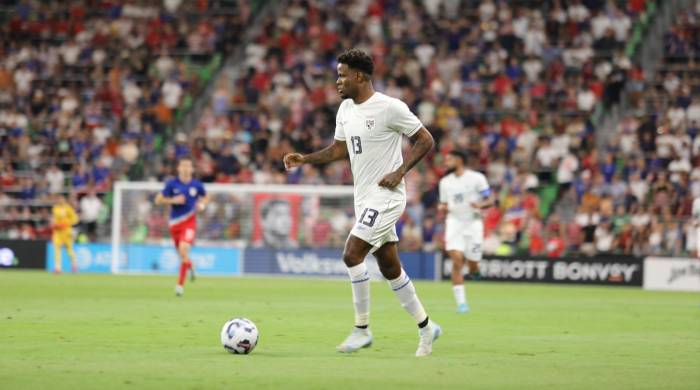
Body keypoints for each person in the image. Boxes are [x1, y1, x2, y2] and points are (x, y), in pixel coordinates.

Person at [283, 49, 441, 357]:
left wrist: (400, 171)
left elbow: (426, 139)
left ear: (360, 76)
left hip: (387, 196)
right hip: (364, 198)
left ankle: (362, 330)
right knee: (389, 266)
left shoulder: (390, 108)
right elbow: (338, 150)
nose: (338, 81)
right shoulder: (345, 110)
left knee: (352, 253)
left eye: (342, 75)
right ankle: (427, 327)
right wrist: (306, 158)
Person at [438, 150, 494, 313]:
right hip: (454, 221)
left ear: (459, 160)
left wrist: (481, 206)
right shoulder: (445, 182)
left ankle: (474, 269)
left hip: (473, 223)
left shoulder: (477, 178)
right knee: (456, 259)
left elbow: (490, 199)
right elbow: (442, 204)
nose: (446, 162)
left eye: (449, 159)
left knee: (472, 262)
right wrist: (442, 207)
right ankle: (462, 304)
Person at [155, 158, 209, 296]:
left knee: (183, 249)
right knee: (182, 255)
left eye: (188, 166)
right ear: (178, 168)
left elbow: (206, 196)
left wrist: (202, 205)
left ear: (192, 169)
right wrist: (173, 200)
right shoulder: (172, 184)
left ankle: (179, 286)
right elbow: (158, 200)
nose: (185, 168)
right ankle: (190, 266)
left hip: (189, 223)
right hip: (175, 224)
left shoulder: (197, 185)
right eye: (183, 165)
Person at [51, 194, 79, 273]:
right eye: (58, 199)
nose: (60, 200)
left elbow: (75, 219)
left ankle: (74, 265)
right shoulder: (55, 208)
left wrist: (67, 223)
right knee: (56, 249)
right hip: (57, 232)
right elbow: (54, 219)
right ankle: (57, 268)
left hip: (66, 232)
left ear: (64, 200)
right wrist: (54, 224)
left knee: (69, 249)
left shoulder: (68, 208)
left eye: (61, 199)